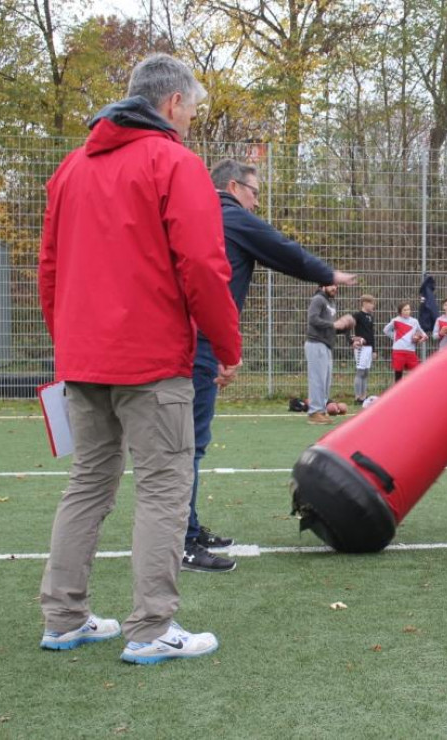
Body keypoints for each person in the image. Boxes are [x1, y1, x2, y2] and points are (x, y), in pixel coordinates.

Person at [37, 54, 241, 664]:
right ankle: (152, 628)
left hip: (84, 360)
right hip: (152, 361)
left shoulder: (70, 168)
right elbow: (204, 266)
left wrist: (68, 343)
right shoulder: (174, 162)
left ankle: (64, 617)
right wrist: (226, 347)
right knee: (163, 489)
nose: (192, 122)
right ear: (173, 104)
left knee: (87, 485)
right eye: (194, 110)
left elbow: (49, 270)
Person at [180, 159, 356, 575]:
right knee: (187, 445)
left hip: (192, 341)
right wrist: (328, 272)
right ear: (233, 186)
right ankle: (182, 542)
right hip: (198, 344)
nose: (257, 201)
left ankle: (186, 528)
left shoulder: (196, 215)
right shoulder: (230, 216)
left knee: (185, 443)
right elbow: (281, 249)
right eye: (255, 192)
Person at [306, 284, 358, 423]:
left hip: (326, 345)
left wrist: (346, 327)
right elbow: (313, 319)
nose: (335, 287)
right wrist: (334, 325)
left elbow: (331, 328)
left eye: (336, 285)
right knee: (317, 380)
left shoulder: (331, 302)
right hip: (315, 343)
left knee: (325, 380)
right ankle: (314, 412)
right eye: (331, 285)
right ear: (323, 286)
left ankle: (321, 411)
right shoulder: (318, 299)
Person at [384, 301, 427, 382]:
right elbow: (386, 330)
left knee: (416, 373)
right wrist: (396, 337)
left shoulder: (414, 321)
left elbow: (422, 333)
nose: (407, 311)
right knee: (398, 374)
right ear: (400, 311)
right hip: (398, 351)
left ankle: (413, 391)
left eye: (408, 309)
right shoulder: (395, 320)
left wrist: (423, 337)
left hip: (411, 351)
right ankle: (398, 393)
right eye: (405, 310)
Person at [351, 294, 377, 404]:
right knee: (360, 371)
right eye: (371, 303)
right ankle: (358, 397)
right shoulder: (357, 315)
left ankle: (364, 396)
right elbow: (348, 326)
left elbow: (371, 334)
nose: (373, 306)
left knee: (366, 372)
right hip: (361, 348)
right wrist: (353, 340)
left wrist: (374, 350)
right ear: (365, 303)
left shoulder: (370, 317)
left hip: (369, 348)